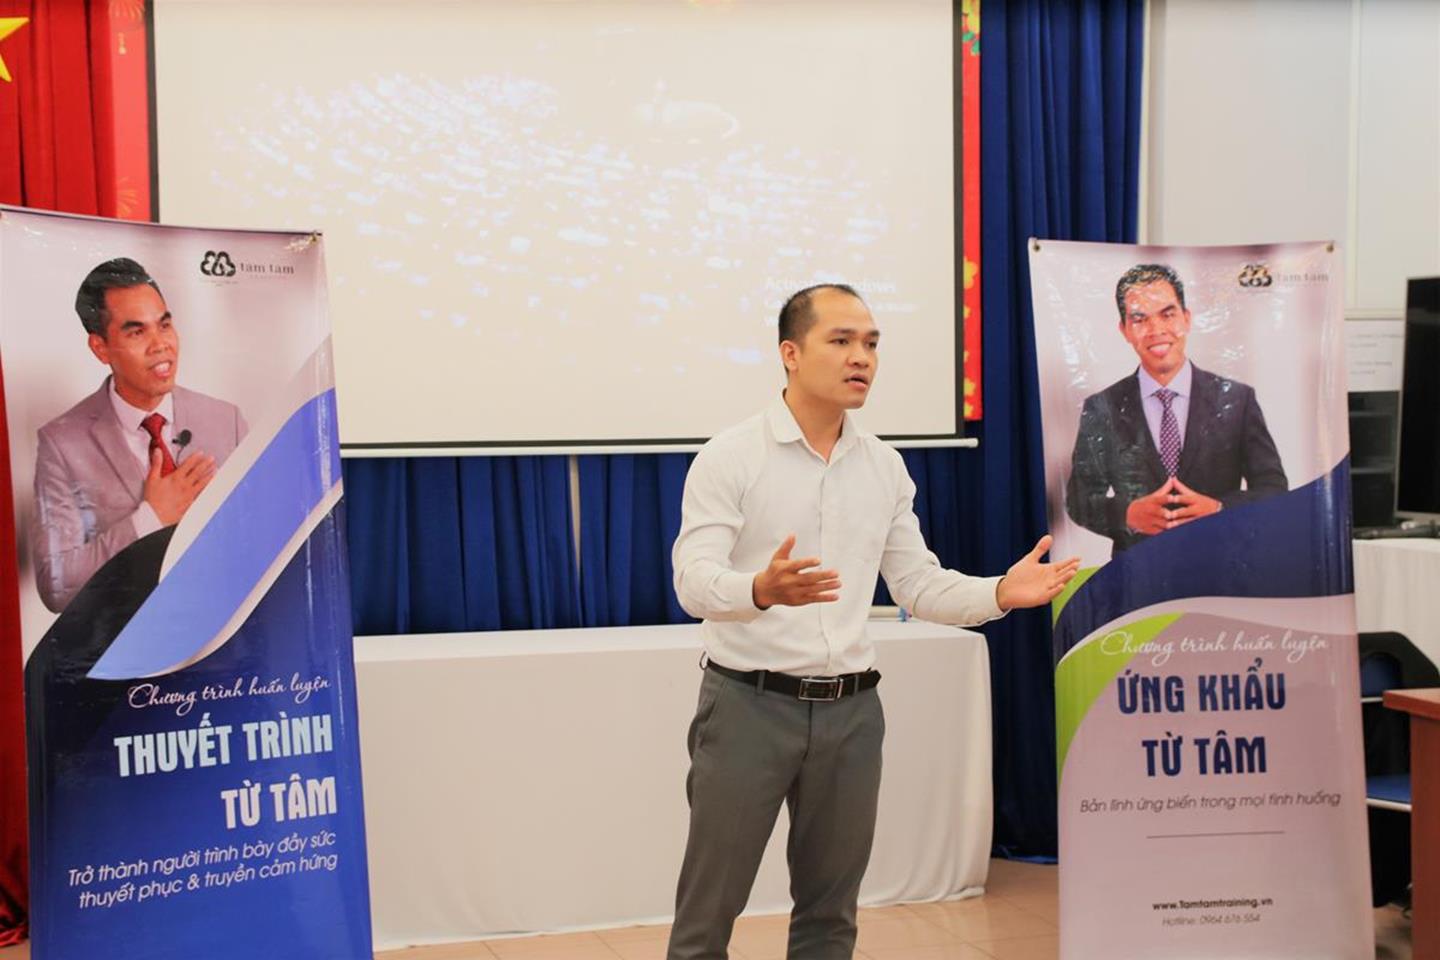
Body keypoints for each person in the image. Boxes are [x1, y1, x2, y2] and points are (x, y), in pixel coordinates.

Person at [666, 283, 1078, 960]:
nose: (862, 357)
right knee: (708, 915)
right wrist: (759, 589)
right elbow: (692, 580)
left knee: (831, 916)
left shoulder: (884, 466)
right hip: (748, 706)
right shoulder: (731, 455)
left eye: (872, 343)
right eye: (842, 341)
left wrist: (1002, 591)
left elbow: (918, 584)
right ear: (790, 353)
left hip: (851, 714)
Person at [31, 258, 247, 613]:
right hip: (128, 641)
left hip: (223, 632)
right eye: (137, 332)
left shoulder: (227, 421)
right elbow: (57, 586)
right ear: (100, 348)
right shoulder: (62, 443)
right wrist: (150, 518)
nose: (160, 345)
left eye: (165, 325)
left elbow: (261, 541)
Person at [1065, 263, 1288, 553]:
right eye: (1140, 319)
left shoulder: (1237, 399)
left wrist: (1220, 509)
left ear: (1186, 318)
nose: (1156, 330)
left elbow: (1274, 488)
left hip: (1222, 566)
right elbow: (1079, 499)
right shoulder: (1102, 407)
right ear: (1125, 330)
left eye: (1167, 314)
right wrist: (1127, 514)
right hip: (1136, 571)